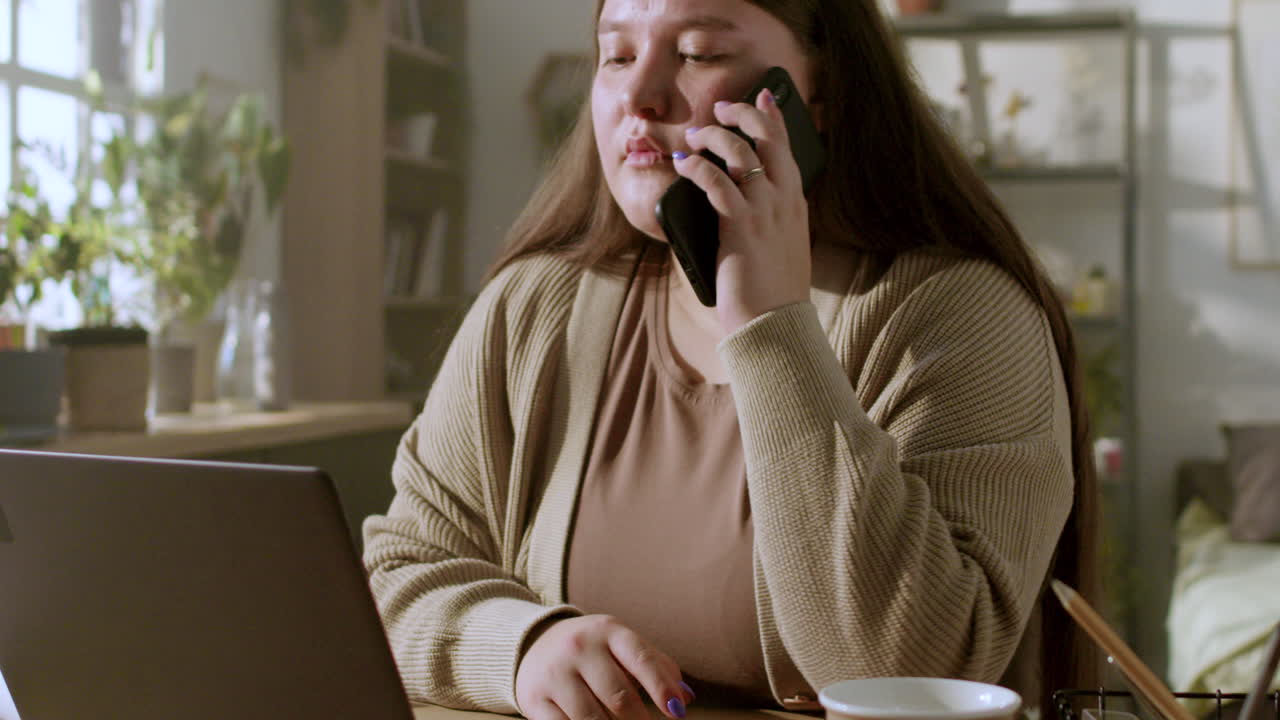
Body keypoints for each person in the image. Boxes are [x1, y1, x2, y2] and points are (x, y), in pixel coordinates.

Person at [363, 1, 1101, 718]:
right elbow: (395, 578)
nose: (640, 96)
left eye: (698, 54)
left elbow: (905, 674)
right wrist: (522, 650)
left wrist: (770, 324)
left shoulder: (962, 316)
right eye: (616, 54)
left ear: (822, 96)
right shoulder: (532, 309)